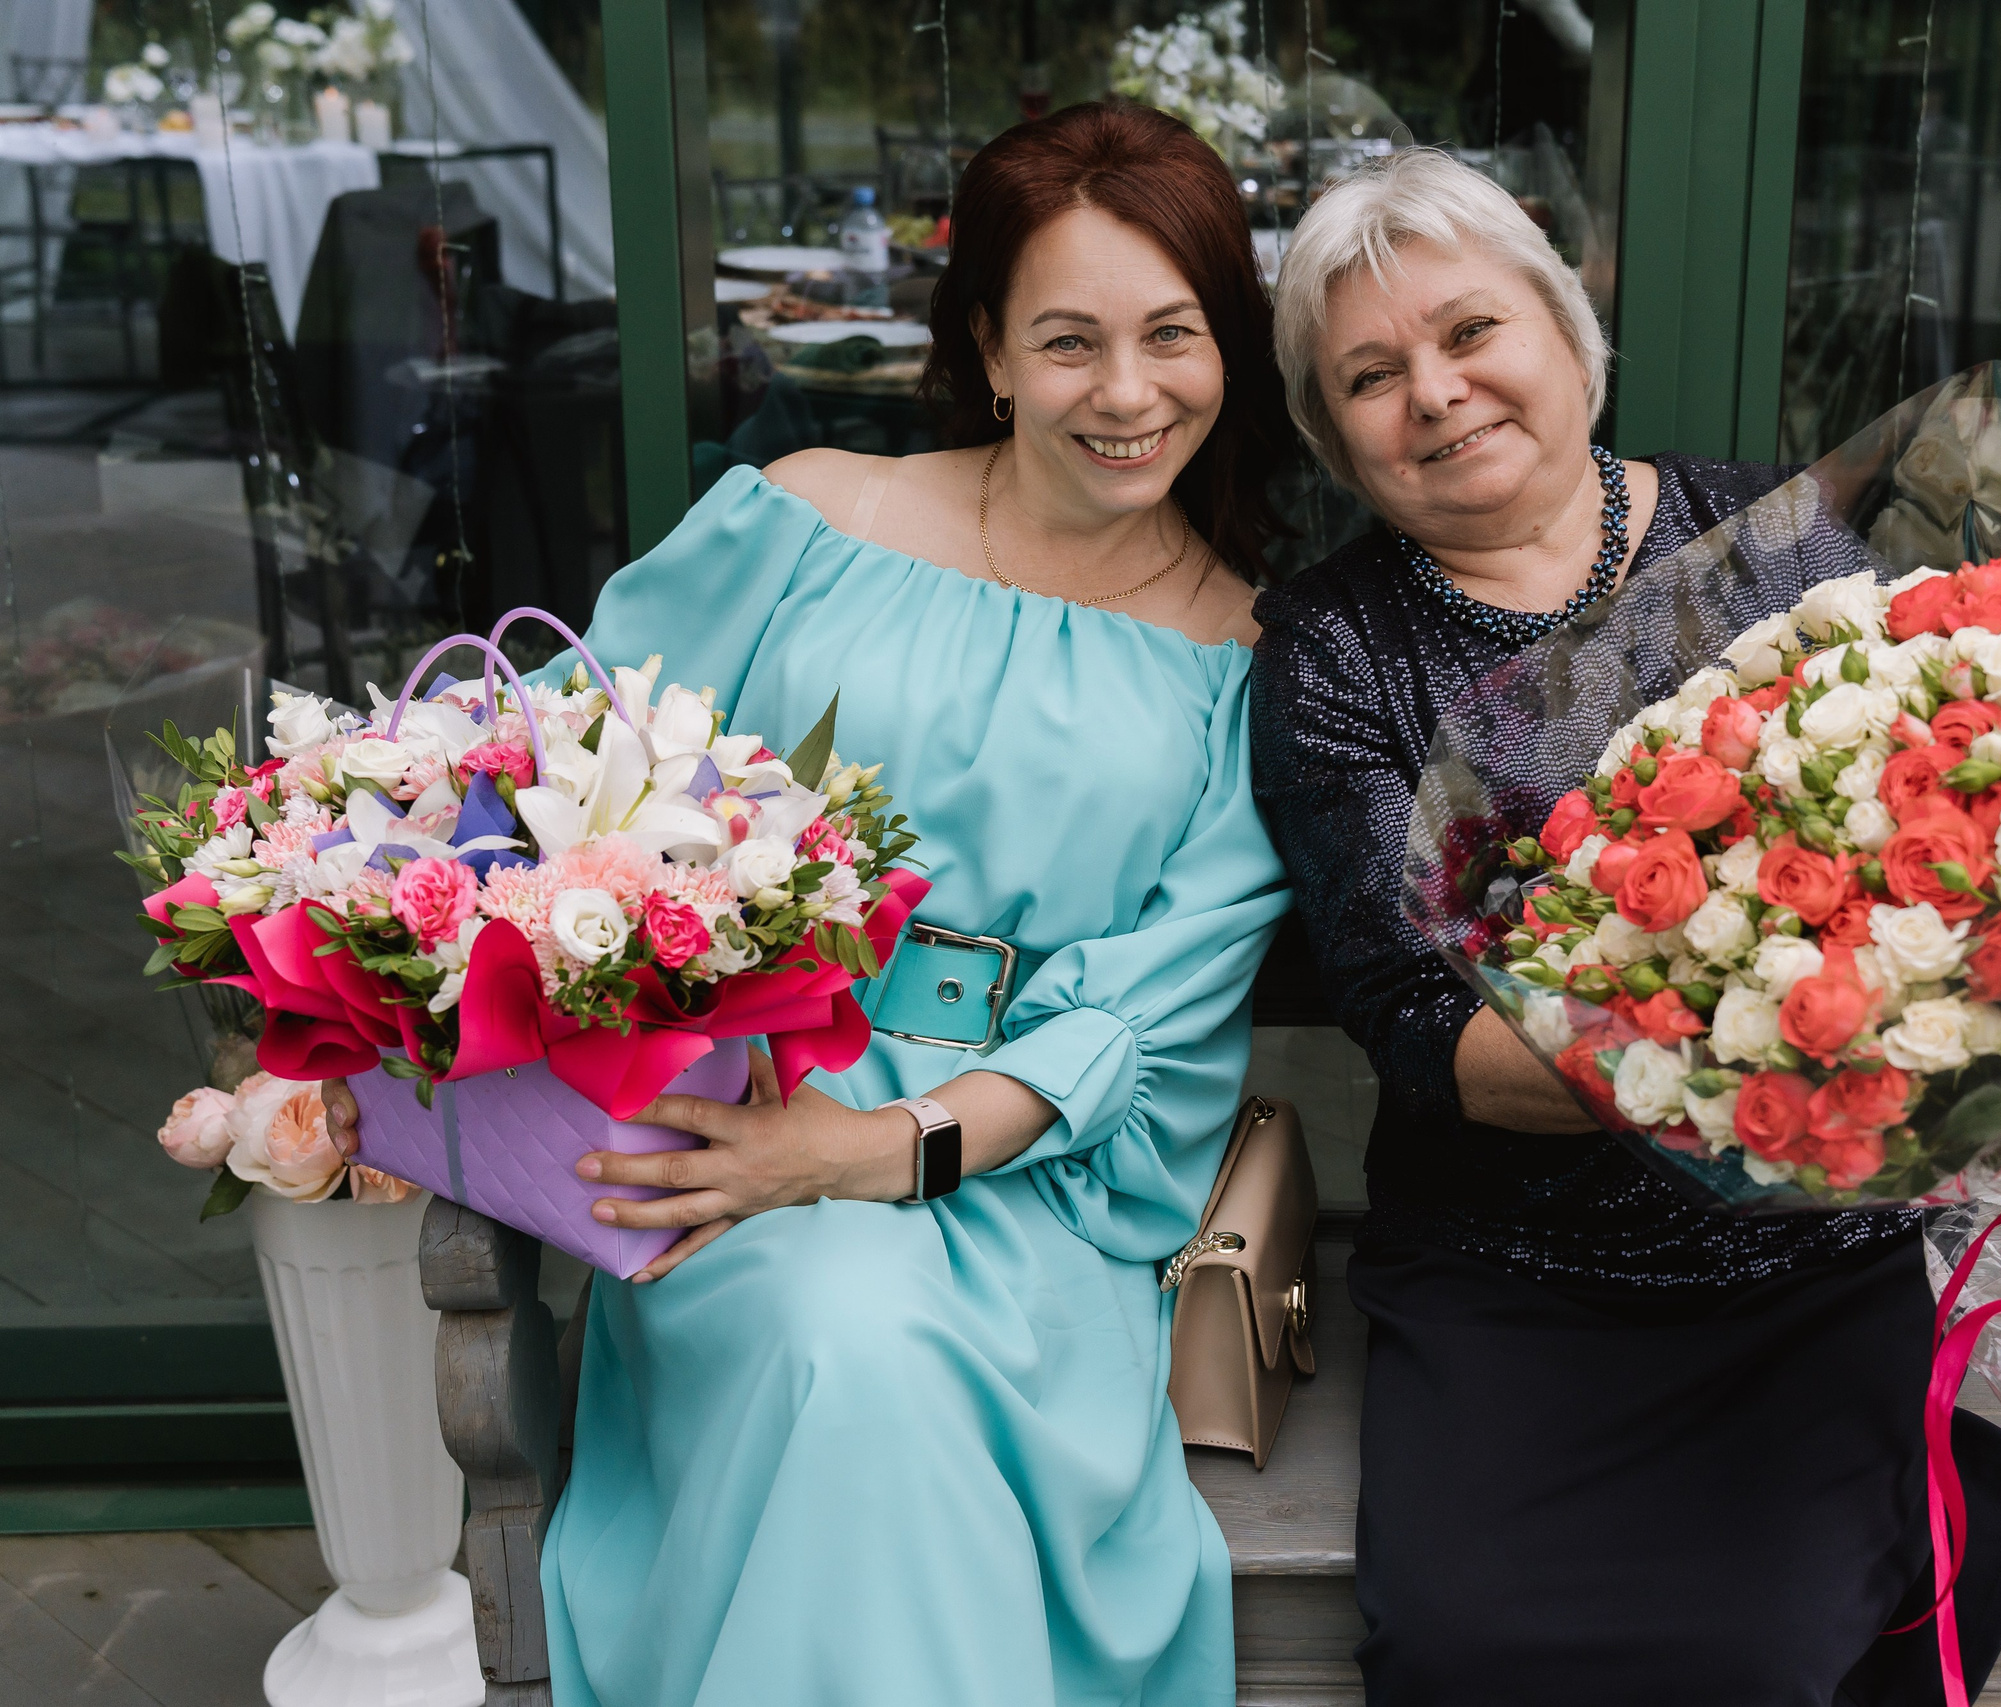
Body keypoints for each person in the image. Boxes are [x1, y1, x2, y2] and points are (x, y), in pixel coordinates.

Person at [330, 100, 1291, 1704]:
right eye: (1068, 341)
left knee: (881, 1351)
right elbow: (567, 767)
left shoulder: (1250, 662)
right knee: (837, 1339)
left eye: (1171, 337)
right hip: (740, 1104)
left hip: (1008, 1179)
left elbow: (1147, 1010)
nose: (1126, 395)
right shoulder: (809, 520)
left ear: (1227, 351)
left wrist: (881, 1150)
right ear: (987, 346)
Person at [1250, 147, 2001, 1706]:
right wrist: (1744, 1034)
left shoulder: (1778, 547)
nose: (1436, 392)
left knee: (1758, 1655)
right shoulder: (1333, 655)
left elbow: (1964, 843)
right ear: (1330, 433)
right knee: (1464, 1645)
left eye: (1471, 332)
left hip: (1810, 1246)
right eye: (1371, 374)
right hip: (1513, 1273)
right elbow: (1424, 1030)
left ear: (1566, 331)